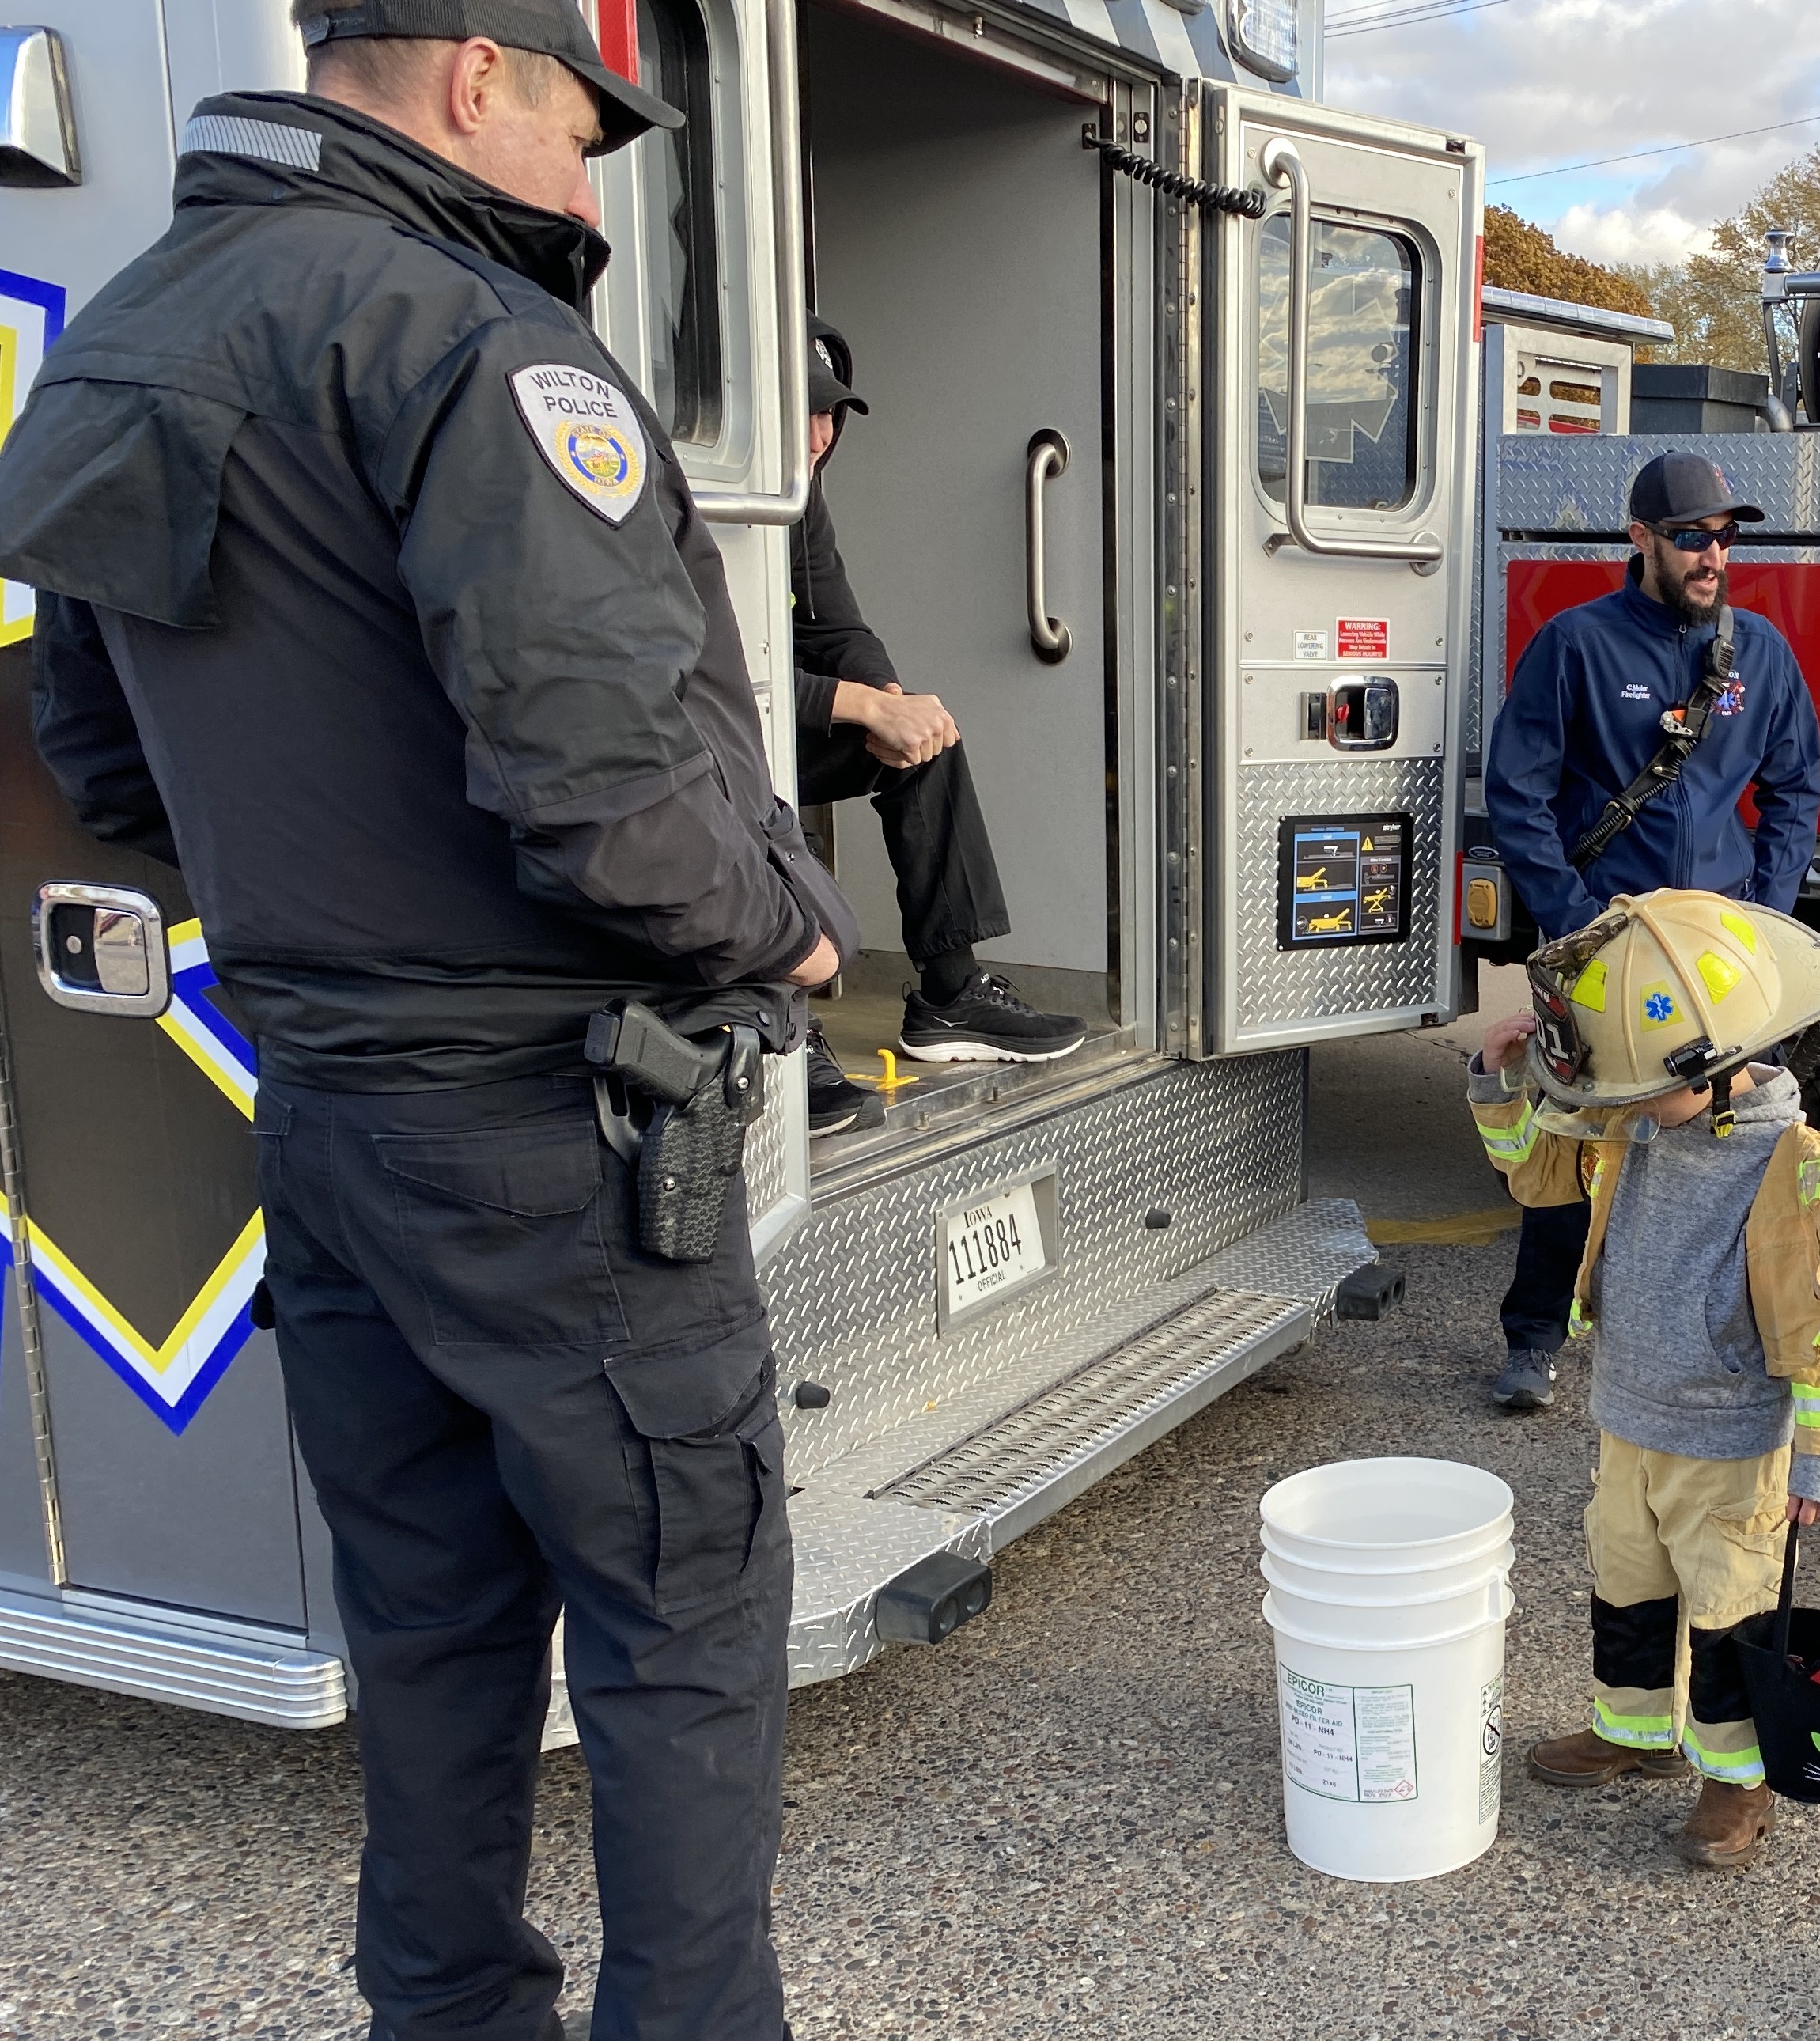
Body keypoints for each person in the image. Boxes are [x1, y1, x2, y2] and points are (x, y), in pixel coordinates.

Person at [0, 6, 857, 2035]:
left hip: (331, 1123)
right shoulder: (479, 344)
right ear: (477, 74)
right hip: (557, 1128)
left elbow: (99, 760)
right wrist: (796, 941)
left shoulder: (131, 331)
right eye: (581, 129)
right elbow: (602, 797)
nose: (587, 182)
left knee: (430, 1625)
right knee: (681, 1627)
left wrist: (329, 900)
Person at [1467, 890, 1820, 1867]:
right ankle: (1633, 1732)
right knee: (1627, 1588)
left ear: (1718, 1071)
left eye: (1643, 1087)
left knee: (1729, 1615)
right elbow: (1532, 1174)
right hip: (1628, 1420)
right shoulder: (1632, 1125)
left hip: (1728, 1444)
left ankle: (1737, 1782)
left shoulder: (1791, 1164)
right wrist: (1495, 1082)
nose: (1624, 1103)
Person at [1478, 451, 1820, 1412]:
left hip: (1720, 960)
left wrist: (1766, 919)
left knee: (1725, 1148)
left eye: (1723, 536)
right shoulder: (1575, 645)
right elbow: (1517, 793)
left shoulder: (1758, 653)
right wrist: (1574, 922)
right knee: (1571, 1137)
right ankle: (1534, 1337)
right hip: (1600, 947)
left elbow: (1794, 790)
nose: (1710, 554)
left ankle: (1713, 1338)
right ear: (1639, 538)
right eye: (1689, 537)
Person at [787, 320, 1084, 1135]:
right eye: (801, 411)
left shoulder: (799, 492)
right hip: (693, 739)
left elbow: (834, 627)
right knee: (754, 789)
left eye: (831, 414)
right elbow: (708, 679)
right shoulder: (693, 488)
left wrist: (889, 702)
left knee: (925, 743)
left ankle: (951, 1000)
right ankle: (777, 1030)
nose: (819, 435)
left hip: (766, 712)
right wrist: (859, 707)